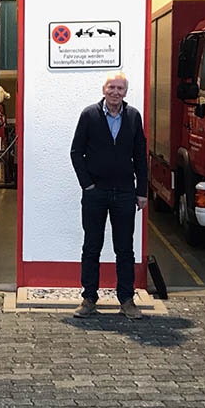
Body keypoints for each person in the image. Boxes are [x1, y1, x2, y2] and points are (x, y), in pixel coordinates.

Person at [69, 71, 149, 320]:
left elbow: (140, 157)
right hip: (96, 193)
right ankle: (89, 299)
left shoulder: (134, 116)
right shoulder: (89, 115)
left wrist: (142, 192)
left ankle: (126, 300)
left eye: (120, 89)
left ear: (126, 92)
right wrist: (88, 186)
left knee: (125, 249)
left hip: (125, 193)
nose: (116, 92)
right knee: (92, 246)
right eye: (112, 87)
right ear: (104, 90)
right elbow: (76, 152)